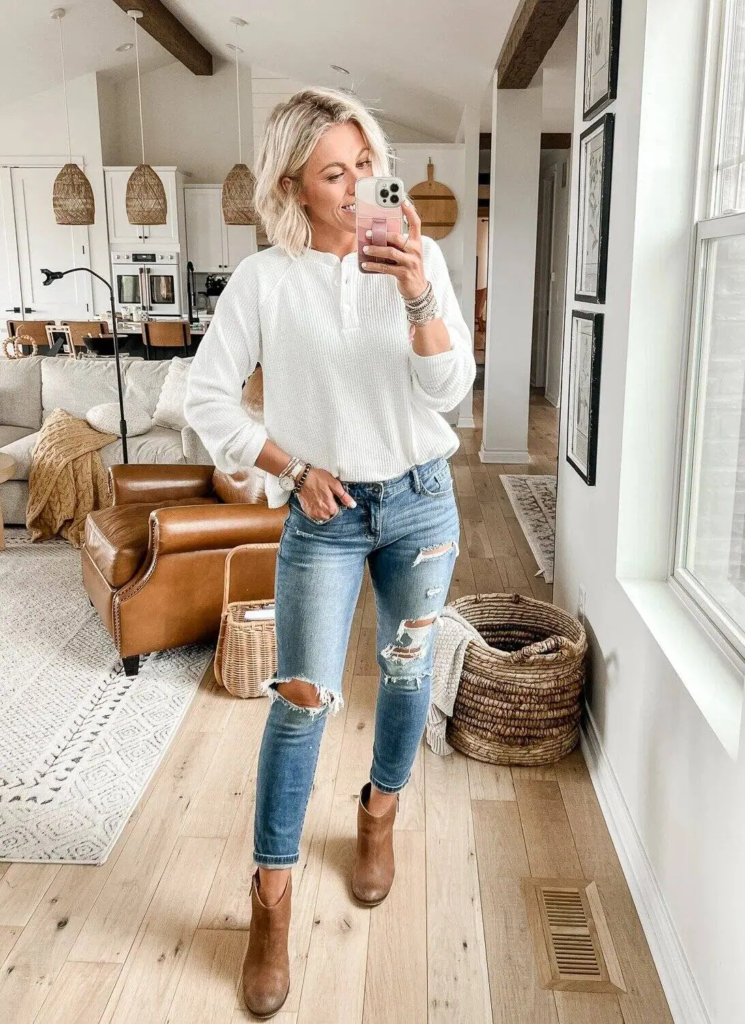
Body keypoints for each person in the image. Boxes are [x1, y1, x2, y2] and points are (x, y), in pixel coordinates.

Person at [184, 86, 476, 1019]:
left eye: (365, 166)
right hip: (324, 512)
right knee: (299, 703)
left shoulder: (417, 257)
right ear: (292, 187)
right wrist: (292, 467)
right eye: (334, 174)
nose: (357, 189)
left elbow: (449, 393)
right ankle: (270, 900)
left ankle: (377, 815)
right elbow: (205, 398)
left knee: (406, 674)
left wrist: (417, 291)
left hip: (421, 503)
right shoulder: (263, 280)